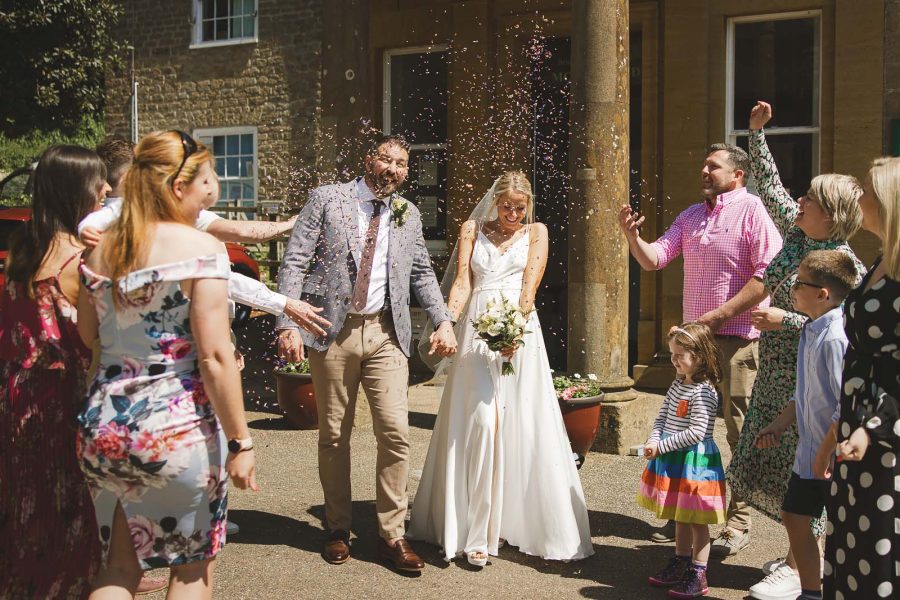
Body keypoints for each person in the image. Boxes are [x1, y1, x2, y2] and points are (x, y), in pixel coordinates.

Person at [76, 130, 258, 599]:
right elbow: (216, 355)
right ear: (177, 188)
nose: (208, 200)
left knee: (119, 569)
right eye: (205, 188)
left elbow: (86, 335)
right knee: (190, 571)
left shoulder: (102, 248)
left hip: (105, 426)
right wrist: (241, 440)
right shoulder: (202, 249)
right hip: (176, 426)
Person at [275, 134, 457, 573]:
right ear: (368, 159)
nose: (393, 169)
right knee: (335, 434)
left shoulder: (408, 213)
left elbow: (420, 274)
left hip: (384, 333)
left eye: (401, 164)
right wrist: (287, 323)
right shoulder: (327, 199)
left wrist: (444, 319)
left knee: (395, 431)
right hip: (331, 331)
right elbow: (295, 261)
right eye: (386, 159)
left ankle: (391, 535)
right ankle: (337, 528)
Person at [407, 172, 593, 566]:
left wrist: (514, 330)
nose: (512, 214)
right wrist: (446, 322)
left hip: (517, 330)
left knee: (520, 423)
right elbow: (462, 282)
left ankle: (510, 522)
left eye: (520, 208)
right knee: (479, 421)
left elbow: (530, 286)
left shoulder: (537, 232)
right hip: (475, 331)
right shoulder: (472, 229)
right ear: (495, 201)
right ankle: (473, 532)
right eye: (507, 207)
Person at [725, 101, 865, 597]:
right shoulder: (796, 232)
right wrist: (756, 134)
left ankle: (799, 565)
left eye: (809, 198)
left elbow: (845, 325)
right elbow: (769, 184)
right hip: (783, 376)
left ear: (831, 214)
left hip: (814, 383)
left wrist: (785, 318)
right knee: (775, 468)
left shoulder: (843, 264)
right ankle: (797, 552)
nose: (797, 202)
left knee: (809, 474)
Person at [619, 143, 783, 554]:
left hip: (738, 339)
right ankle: (685, 510)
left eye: (714, 166)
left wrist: (717, 316)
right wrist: (632, 237)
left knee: (736, 430)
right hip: (697, 346)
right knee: (685, 427)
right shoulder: (691, 216)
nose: (704, 170)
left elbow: (769, 276)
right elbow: (655, 259)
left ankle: (737, 520)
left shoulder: (752, 211)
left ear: (738, 175)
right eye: (703, 164)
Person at [0, 145, 109, 599]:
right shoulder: (79, 261)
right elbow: (92, 339)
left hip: (12, 392)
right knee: (63, 512)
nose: (106, 190)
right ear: (74, 191)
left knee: (21, 506)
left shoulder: (22, 245)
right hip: (56, 398)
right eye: (97, 183)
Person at [83, 135, 327, 333]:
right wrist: (283, 303)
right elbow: (226, 270)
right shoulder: (171, 223)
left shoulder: (93, 227)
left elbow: (87, 328)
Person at [815, 157, 900, 600]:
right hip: (855, 428)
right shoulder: (882, 261)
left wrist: (872, 428)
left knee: (879, 551)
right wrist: (837, 431)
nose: (860, 198)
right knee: (851, 547)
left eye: (867, 191)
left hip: (887, 443)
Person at [753, 250, 857, 600]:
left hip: (830, 455)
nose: (792, 289)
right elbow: (806, 393)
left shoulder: (835, 338)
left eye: (799, 283)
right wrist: (780, 425)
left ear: (822, 293)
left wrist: (825, 452)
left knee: (830, 526)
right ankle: (811, 590)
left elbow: (844, 405)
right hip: (811, 450)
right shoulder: (812, 330)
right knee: (795, 515)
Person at [638, 323, 725, 599]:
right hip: (674, 458)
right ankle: (681, 561)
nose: (674, 359)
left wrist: (661, 446)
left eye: (680, 355)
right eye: (672, 354)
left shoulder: (704, 391)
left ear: (699, 356)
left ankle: (698, 573)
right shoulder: (678, 383)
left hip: (695, 463)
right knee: (679, 514)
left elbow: (697, 432)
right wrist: (653, 440)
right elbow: (662, 416)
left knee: (697, 519)